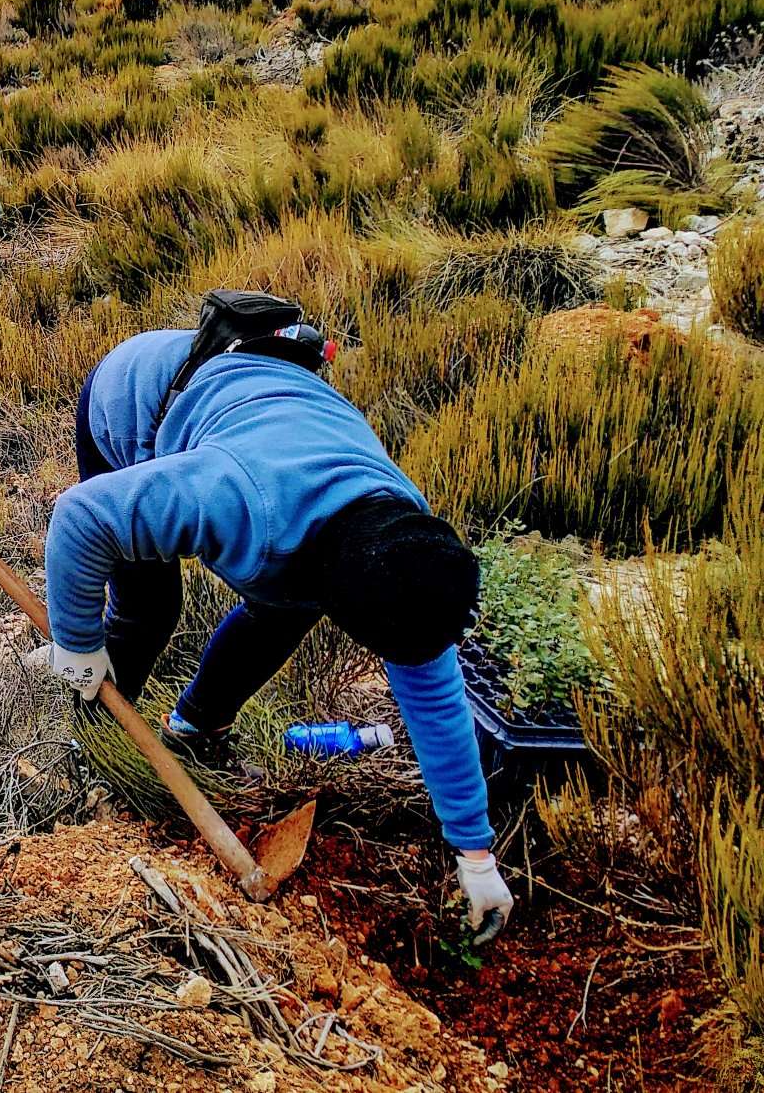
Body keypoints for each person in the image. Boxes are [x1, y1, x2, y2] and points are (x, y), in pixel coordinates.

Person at [30, 323, 515, 945]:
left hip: (264, 417)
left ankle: (195, 730)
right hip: (138, 399)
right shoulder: (233, 497)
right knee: (149, 609)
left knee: (285, 609)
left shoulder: (402, 546)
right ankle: (92, 745)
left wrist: (475, 856)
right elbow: (82, 517)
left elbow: (436, 696)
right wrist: (75, 642)